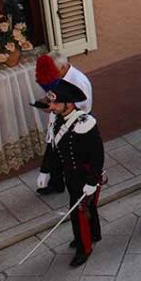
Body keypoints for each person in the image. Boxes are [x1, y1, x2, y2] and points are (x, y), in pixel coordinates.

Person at [36, 80, 104, 267]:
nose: (53, 107)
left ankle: (84, 247)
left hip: (85, 175)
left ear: (69, 103)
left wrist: (92, 181)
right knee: (87, 208)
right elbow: (53, 148)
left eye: (56, 103)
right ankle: (93, 234)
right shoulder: (57, 120)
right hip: (71, 175)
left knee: (79, 212)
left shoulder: (86, 122)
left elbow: (98, 155)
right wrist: (45, 170)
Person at [35, 51, 94, 196]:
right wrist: (46, 102)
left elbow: (83, 106)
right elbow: (53, 95)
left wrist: (57, 109)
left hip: (73, 124)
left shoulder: (78, 81)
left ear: (62, 67)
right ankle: (56, 183)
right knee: (54, 151)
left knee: (71, 157)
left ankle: (77, 184)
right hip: (57, 120)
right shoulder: (57, 77)